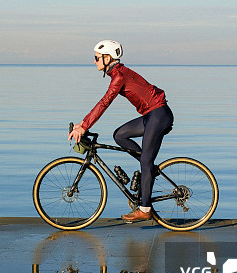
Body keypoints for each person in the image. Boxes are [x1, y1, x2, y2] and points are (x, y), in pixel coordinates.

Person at [68, 40, 174, 223]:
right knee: (120, 135)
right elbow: (103, 103)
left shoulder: (119, 76)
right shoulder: (118, 73)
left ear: (107, 58)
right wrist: (82, 124)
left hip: (159, 115)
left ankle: (145, 209)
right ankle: (148, 169)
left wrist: (85, 125)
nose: (94, 61)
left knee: (146, 161)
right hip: (151, 115)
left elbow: (105, 102)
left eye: (96, 58)